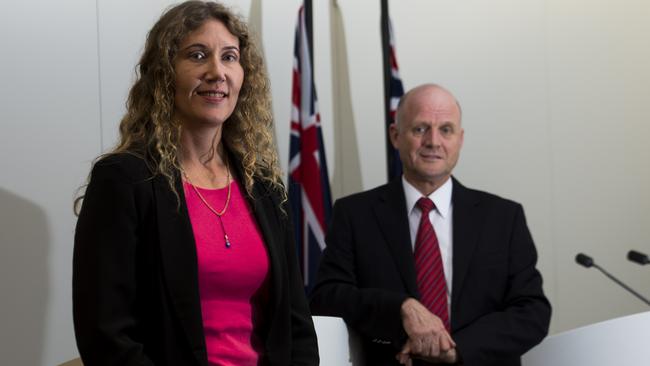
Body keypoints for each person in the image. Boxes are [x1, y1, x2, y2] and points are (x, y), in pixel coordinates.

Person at [72, 2, 319, 365]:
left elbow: (296, 325)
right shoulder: (124, 181)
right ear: (165, 73)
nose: (217, 72)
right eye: (197, 55)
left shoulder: (264, 188)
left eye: (230, 57)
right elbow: (106, 335)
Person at [310, 84, 550, 366]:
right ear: (396, 136)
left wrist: (458, 350)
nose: (433, 141)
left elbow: (532, 311)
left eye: (446, 130)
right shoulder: (355, 214)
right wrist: (400, 308)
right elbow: (326, 298)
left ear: (460, 139)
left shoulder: (504, 218)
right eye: (420, 128)